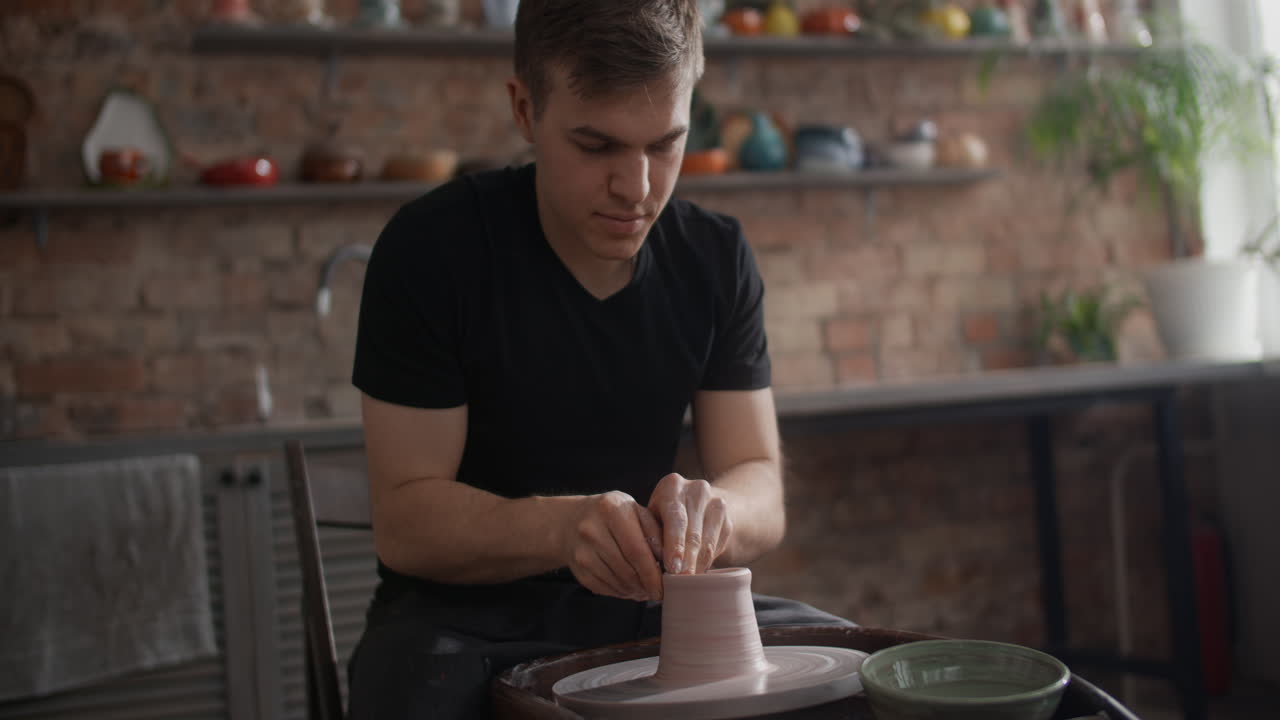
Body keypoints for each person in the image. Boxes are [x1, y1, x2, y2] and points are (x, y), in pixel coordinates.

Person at [346, 1, 852, 717]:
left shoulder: (715, 257)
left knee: (857, 675)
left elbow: (761, 488)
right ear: (525, 109)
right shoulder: (432, 250)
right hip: (457, 626)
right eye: (596, 146)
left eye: (664, 144)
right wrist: (563, 528)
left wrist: (717, 512)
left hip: (654, 614)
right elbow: (406, 525)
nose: (636, 188)